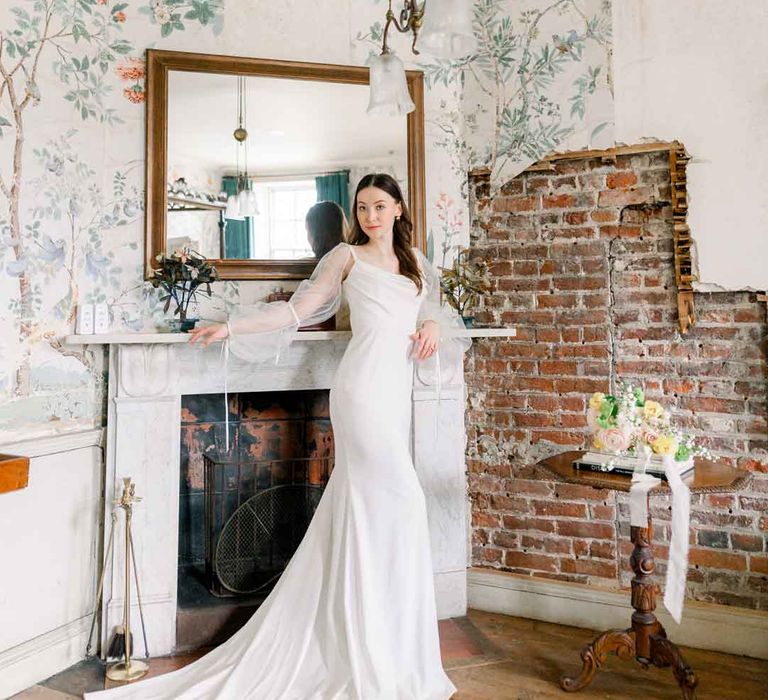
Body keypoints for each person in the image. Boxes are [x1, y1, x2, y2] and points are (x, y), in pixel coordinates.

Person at [86, 173, 466, 700]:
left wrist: (432, 329)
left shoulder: (418, 264)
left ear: (399, 208)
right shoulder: (345, 258)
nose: (370, 216)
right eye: (362, 208)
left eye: (380, 206)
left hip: (393, 393)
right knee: (394, 499)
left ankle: (392, 642)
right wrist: (231, 328)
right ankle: (369, 643)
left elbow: (435, 315)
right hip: (360, 392)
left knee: (388, 509)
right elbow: (297, 310)